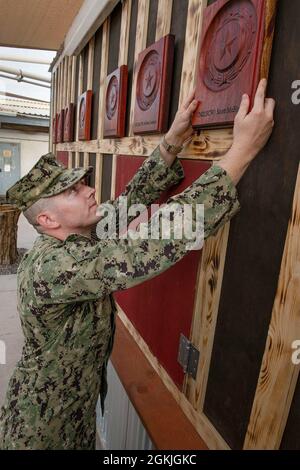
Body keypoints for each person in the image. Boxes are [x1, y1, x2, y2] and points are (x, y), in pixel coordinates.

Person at [0, 79, 275, 450]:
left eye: (83, 184)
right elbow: (152, 242)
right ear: (48, 221)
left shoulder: (78, 237)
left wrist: (172, 142)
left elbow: (131, 201)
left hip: (71, 412)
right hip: (42, 429)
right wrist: (242, 150)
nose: (90, 190)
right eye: (72, 191)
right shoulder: (55, 266)